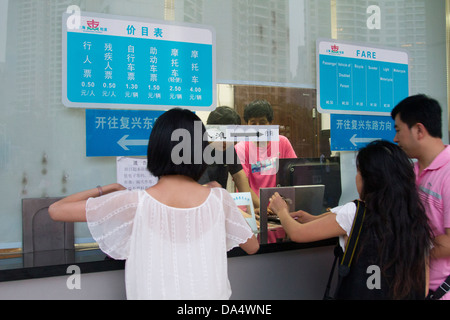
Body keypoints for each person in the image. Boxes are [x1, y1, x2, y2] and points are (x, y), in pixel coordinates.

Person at [49, 108, 259, 300]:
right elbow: (252, 246)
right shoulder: (219, 199)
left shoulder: (134, 203)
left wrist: (107, 189)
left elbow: (56, 210)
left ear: (156, 150)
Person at [268, 140, 432, 300]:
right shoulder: (415, 217)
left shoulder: (356, 213)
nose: (356, 178)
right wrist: (313, 219)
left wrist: (281, 210)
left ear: (371, 179)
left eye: (359, 172)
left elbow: (297, 233)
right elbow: (423, 286)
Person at [391, 94, 450, 300]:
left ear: (418, 130)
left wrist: (405, 246)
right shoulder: (410, 172)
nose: (395, 139)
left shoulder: (448, 174)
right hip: (412, 286)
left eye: (398, 130)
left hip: (440, 291)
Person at [198, 106, 260, 213]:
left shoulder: (226, 147)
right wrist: (240, 214)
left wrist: (257, 209)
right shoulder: (196, 149)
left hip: (219, 211)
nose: (227, 142)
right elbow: (205, 193)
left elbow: (240, 177)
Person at [235, 100, 297, 195]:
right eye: (253, 123)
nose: (258, 127)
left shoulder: (282, 142)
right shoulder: (241, 148)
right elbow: (244, 187)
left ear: (270, 123)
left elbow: (294, 174)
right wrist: (263, 208)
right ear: (247, 124)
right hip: (251, 206)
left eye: (262, 122)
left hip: (278, 204)